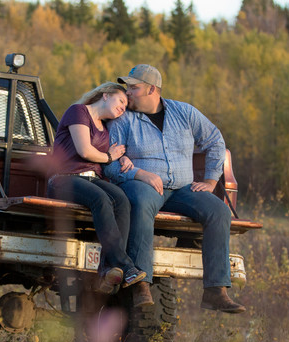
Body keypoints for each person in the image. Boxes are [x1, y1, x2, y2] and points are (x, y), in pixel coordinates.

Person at [104, 65, 245, 313]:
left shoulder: (184, 113)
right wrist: (140, 175)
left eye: (133, 88)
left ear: (152, 89)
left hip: (182, 188)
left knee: (219, 211)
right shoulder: (123, 120)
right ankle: (140, 284)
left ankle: (215, 291)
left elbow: (215, 141)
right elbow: (110, 166)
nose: (128, 94)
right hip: (144, 186)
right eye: (127, 88)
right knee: (140, 203)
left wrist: (211, 181)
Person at [47, 82, 146, 294]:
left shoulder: (105, 127)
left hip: (92, 178)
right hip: (65, 178)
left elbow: (108, 154)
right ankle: (126, 266)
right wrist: (110, 156)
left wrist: (122, 158)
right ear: (105, 95)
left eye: (125, 106)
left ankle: (109, 269)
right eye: (120, 101)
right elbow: (85, 151)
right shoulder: (78, 112)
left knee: (121, 200)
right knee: (100, 199)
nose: (122, 108)